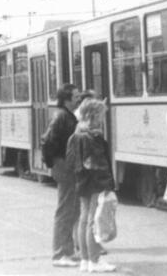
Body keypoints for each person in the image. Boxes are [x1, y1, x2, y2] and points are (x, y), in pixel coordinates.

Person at [67, 98, 116, 273]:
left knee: (84, 219)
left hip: (81, 181)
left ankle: (85, 259)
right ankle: (95, 260)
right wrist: (107, 184)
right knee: (94, 221)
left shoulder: (76, 134)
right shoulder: (92, 137)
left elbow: (70, 159)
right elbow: (98, 163)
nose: (102, 119)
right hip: (95, 182)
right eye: (101, 115)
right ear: (93, 115)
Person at [42, 83, 81, 267]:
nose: (78, 99)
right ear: (66, 99)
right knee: (66, 209)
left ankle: (68, 250)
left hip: (67, 165)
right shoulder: (61, 117)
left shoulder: (67, 115)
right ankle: (60, 254)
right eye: (76, 96)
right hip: (64, 165)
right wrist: (56, 163)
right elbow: (47, 141)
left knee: (72, 208)